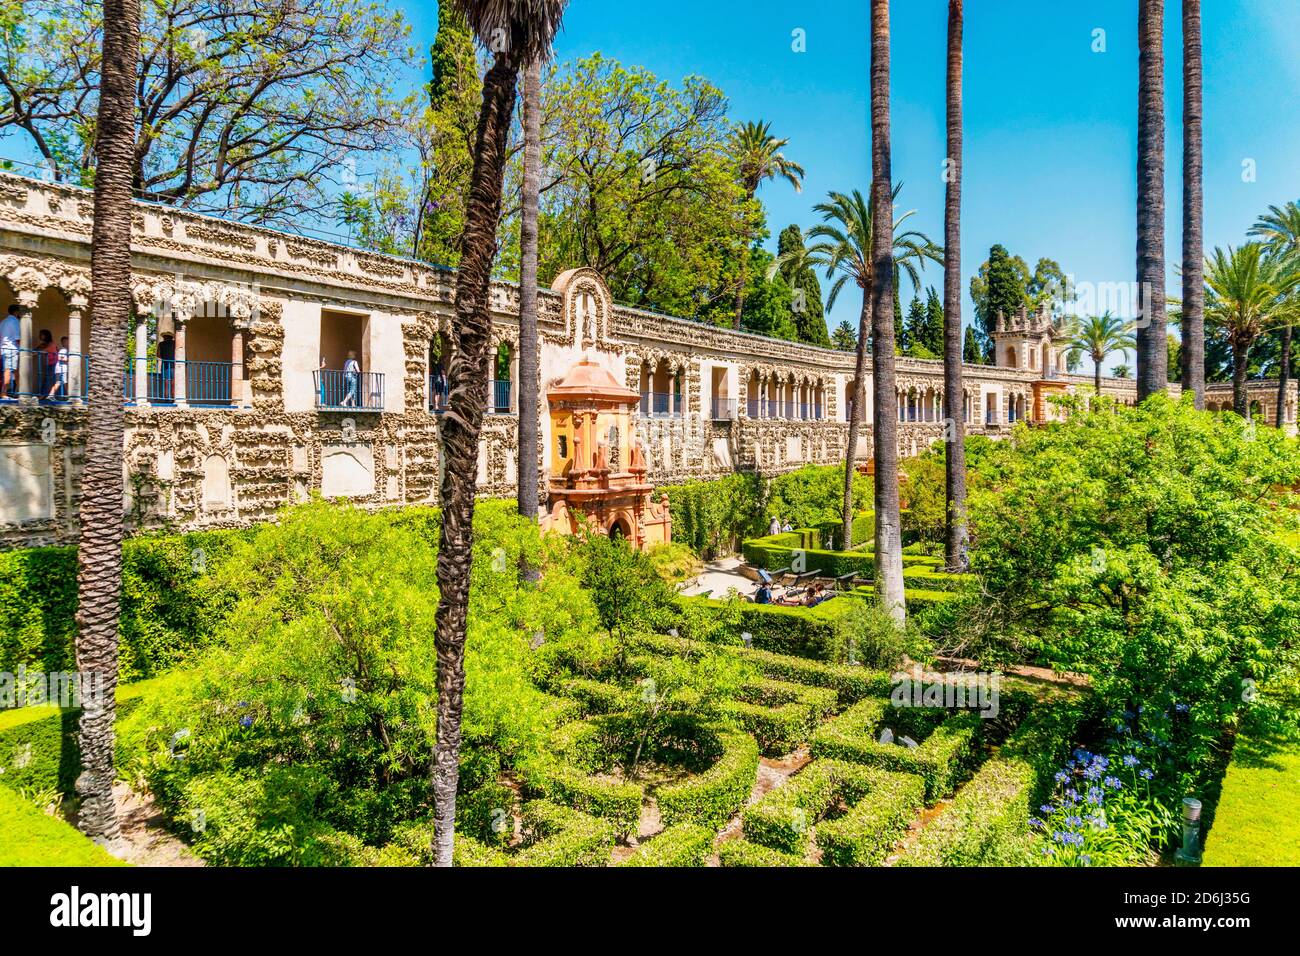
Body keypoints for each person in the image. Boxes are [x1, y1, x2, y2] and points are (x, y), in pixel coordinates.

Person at [1, 304, 20, 399]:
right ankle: (3, 393)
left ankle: (20, 392)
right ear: (16, 312)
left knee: (16, 371)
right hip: (11, 348)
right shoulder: (14, 321)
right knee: (8, 370)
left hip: (3, 349)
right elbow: (17, 338)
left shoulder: (3, 321)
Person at [36, 329, 56, 397]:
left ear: (46, 336)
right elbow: (37, 349)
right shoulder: (44, 344)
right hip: (49, 364)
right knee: (48, 380)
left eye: (42, 335)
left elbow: (42, 351)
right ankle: (45, 395)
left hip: (53, 364)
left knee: (48, 380)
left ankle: (43, 395)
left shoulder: (50, 344)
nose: (40, 336)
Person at [48, 336, 69, 400]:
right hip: (61, 369)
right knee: (63, 383)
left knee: (60, 382)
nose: (68, 343)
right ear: (63, 342)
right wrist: (68, 359)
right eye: (66, 342)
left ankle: (51, 395)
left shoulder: (65, 350)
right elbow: (60, 358)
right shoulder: (63, 350)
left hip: (61, 369)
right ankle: (70, 396)